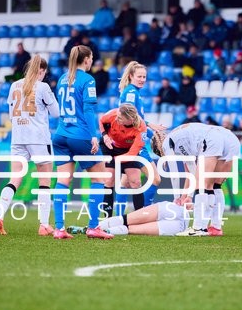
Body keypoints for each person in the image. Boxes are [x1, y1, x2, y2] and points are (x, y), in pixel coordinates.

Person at [0, 56, 59, 236]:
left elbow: (11, 114)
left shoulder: (15, 85)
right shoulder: (43, 87)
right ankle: (44, 224)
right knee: (44, 180)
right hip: (38, 138)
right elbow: (56, 113)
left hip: (18, 137)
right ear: (41, 71)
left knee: (14, 179)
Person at [51, 45, 112, 240]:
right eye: (91, 57)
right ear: (86, 60)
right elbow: (88, 110)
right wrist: (94, 135)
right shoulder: (88, 80)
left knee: (62, 181)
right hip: (80, 135)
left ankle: (59, 229)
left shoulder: (62, 79)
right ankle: (93, 227)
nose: (92, 61)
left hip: (60, 135)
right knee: (99, 179)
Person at [151, 123, 241, 236]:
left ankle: (199, 228)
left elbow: (175, 173)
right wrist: (188, 196)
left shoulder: (166, 144)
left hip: (213, 137)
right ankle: (215, 227)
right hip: (230, 138)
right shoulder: (180, 138)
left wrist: (177, 198)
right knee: (215, 185)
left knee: (202, 185)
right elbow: (192, 171)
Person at [117, 61, 164, 210]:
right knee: (155, 179)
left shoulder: (134, 92)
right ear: (131, 76)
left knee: (125, 182)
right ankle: (144, 211)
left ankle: (118, 215)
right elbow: (131, 118)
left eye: (144, 76)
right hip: (135, 143)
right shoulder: (131, 93)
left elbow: (136, 119)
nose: (142, 79)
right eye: (139, 76)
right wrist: (152, 134)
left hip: (131, 141)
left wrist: (150, 129)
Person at [99, 103, 148, 215]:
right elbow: (101, 121)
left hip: (129, 151)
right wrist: (105, 135)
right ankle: (108, 219)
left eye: (120, 118)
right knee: (109, 181)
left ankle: (139, 219)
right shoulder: (114, 114)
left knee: (135, 182)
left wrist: (114, 160)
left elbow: (132, 154)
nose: (117, 119)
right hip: (109, 147)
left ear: (130, 119)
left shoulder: (141, 128)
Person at [98, 201, 190, 236]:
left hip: (182, 224)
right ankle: (94, 228)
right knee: (125, 219)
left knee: (131, 228)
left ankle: (104, 232)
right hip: (173, 207)